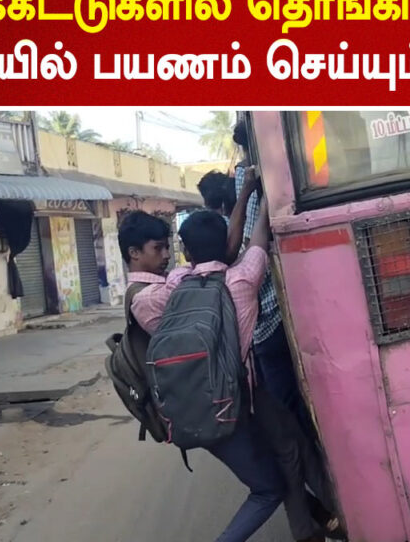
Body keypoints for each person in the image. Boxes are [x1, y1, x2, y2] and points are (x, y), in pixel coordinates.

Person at [128, 202, 341, 542]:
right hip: (244, 399)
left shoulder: (164, 293)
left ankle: (318, 523)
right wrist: (267, 201)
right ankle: (330, 519)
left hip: (202, 404)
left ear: (185, 251)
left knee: (286, 449)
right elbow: (257, 241)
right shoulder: (243, 280)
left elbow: (157, 314)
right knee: (279, 466)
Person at [232, 119, 317, 441]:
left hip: (271, 315)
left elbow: (250, 247)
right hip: (287, 306)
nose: (241, 162)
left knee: (286, 404)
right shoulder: (283, 170)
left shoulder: (252, 180)